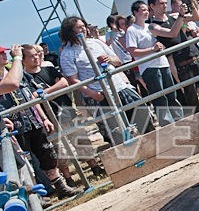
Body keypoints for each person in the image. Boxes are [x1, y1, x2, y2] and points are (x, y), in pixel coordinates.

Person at [0, 44, 81, 199]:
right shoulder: (14, 73)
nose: (5, 55)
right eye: (1, 53)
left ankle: (60, 187)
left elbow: (30, 96)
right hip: (14, 126)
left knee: (47, 154)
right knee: (25, 163)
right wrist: (17, 58)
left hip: (32, 120)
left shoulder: (16, 72)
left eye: (5, 52)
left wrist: (43, 117)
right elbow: (13, 84)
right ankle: (35, 197)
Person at [60, 17, 154, 144]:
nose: (83, 29)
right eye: (79, 27)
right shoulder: (67, 53)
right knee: (116, 129)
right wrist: (94, 95)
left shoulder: (96, 42)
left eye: (84, 26)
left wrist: (108, 59)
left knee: (141, 113)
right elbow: (74, 80)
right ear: (70, 31)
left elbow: (117, 61)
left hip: (118, 86)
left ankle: (152, 143)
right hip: (99, 93)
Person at [21, 44, 105, 181]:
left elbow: (64, 83)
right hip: (48, 118)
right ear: (23, 60)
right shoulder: (24, 80)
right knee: (59, 150)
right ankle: (68, 178)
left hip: (66, 110)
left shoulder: (48, 69)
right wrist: (48, 93)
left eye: (36, 54)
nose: (36, 57)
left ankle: (95, 167)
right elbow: (32, 99)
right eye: (31, 56)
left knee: (81, 140)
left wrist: (44, 94)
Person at [147, 0, 199, 114]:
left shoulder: (173, 16)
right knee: (191, 98)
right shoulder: (153, 26)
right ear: (152, 6)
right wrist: (181, 16)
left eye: (165, 3)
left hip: (195, 56)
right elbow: (171, 33)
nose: (164, 5)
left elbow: (195, 17)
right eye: (161, 3)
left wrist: (191, 1)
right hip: (181, 63)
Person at [126, 0, 183, 127]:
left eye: (147, 10)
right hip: (149, 67)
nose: (146, 12)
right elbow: (132, 51)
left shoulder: (150, 26)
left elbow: (169, 34)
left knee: (172, 94)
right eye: (143, 10)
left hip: (163, 63)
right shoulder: (132, 30)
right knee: (160, 97)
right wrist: (152, 49)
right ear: (135, 12)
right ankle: (168, 124)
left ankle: (179, 120)